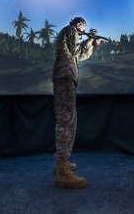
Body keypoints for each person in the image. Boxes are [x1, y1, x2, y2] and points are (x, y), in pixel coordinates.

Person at [52, 16, 103, 189]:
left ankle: (62, 163)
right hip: (66, 77)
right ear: (78, 24)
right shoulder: (70, 30)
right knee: (67, 119)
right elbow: (75, 51)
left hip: (66, 77)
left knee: (67, 118)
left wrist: (90, 43)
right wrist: (89, 40)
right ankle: (62, 170)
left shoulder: (70, 33)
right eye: (83, 26)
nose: (83, 29)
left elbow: (79, 55)